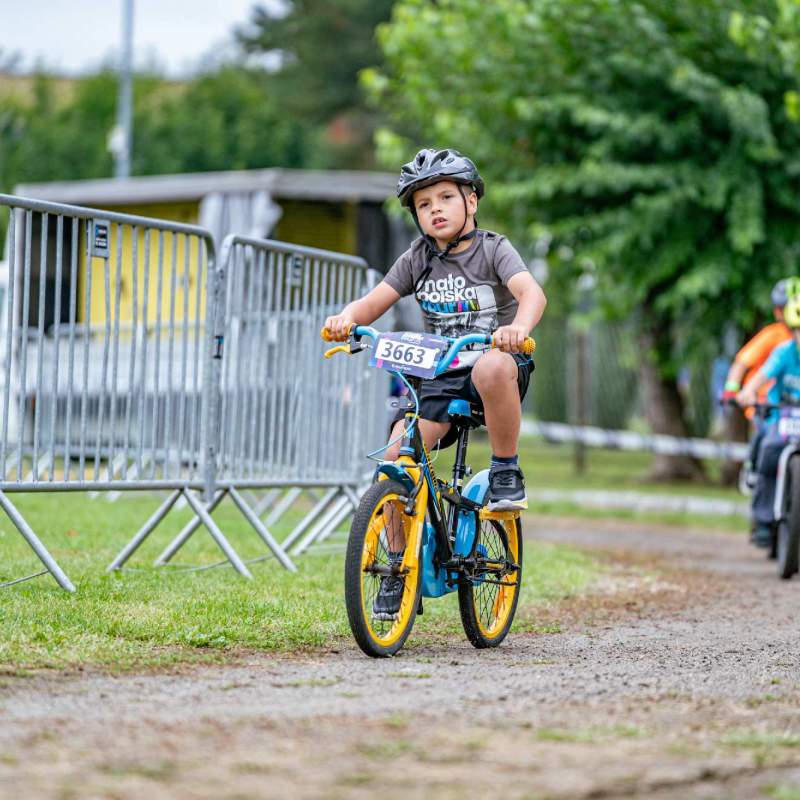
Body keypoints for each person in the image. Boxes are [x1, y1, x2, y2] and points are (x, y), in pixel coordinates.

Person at [324, 148, 547, 618]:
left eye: (446, 197)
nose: (436, 209)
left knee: (491, 365)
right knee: (395, 458)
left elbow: (532, 292)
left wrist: (518, 328)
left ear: (472, 201)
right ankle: (395, 568)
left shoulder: (493, 249)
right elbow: (373, 302)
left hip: (497, 370)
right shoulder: (417, 258)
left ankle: (506, 470)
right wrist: (346, 319)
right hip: (441, 375)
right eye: (424, 204)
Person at [736, 291, 800, 547]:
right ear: (792, 331)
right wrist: (749, 392)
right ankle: (762, 519)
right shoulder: (784, 353)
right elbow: (761, 376)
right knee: (770, 449)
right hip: (781, 415)